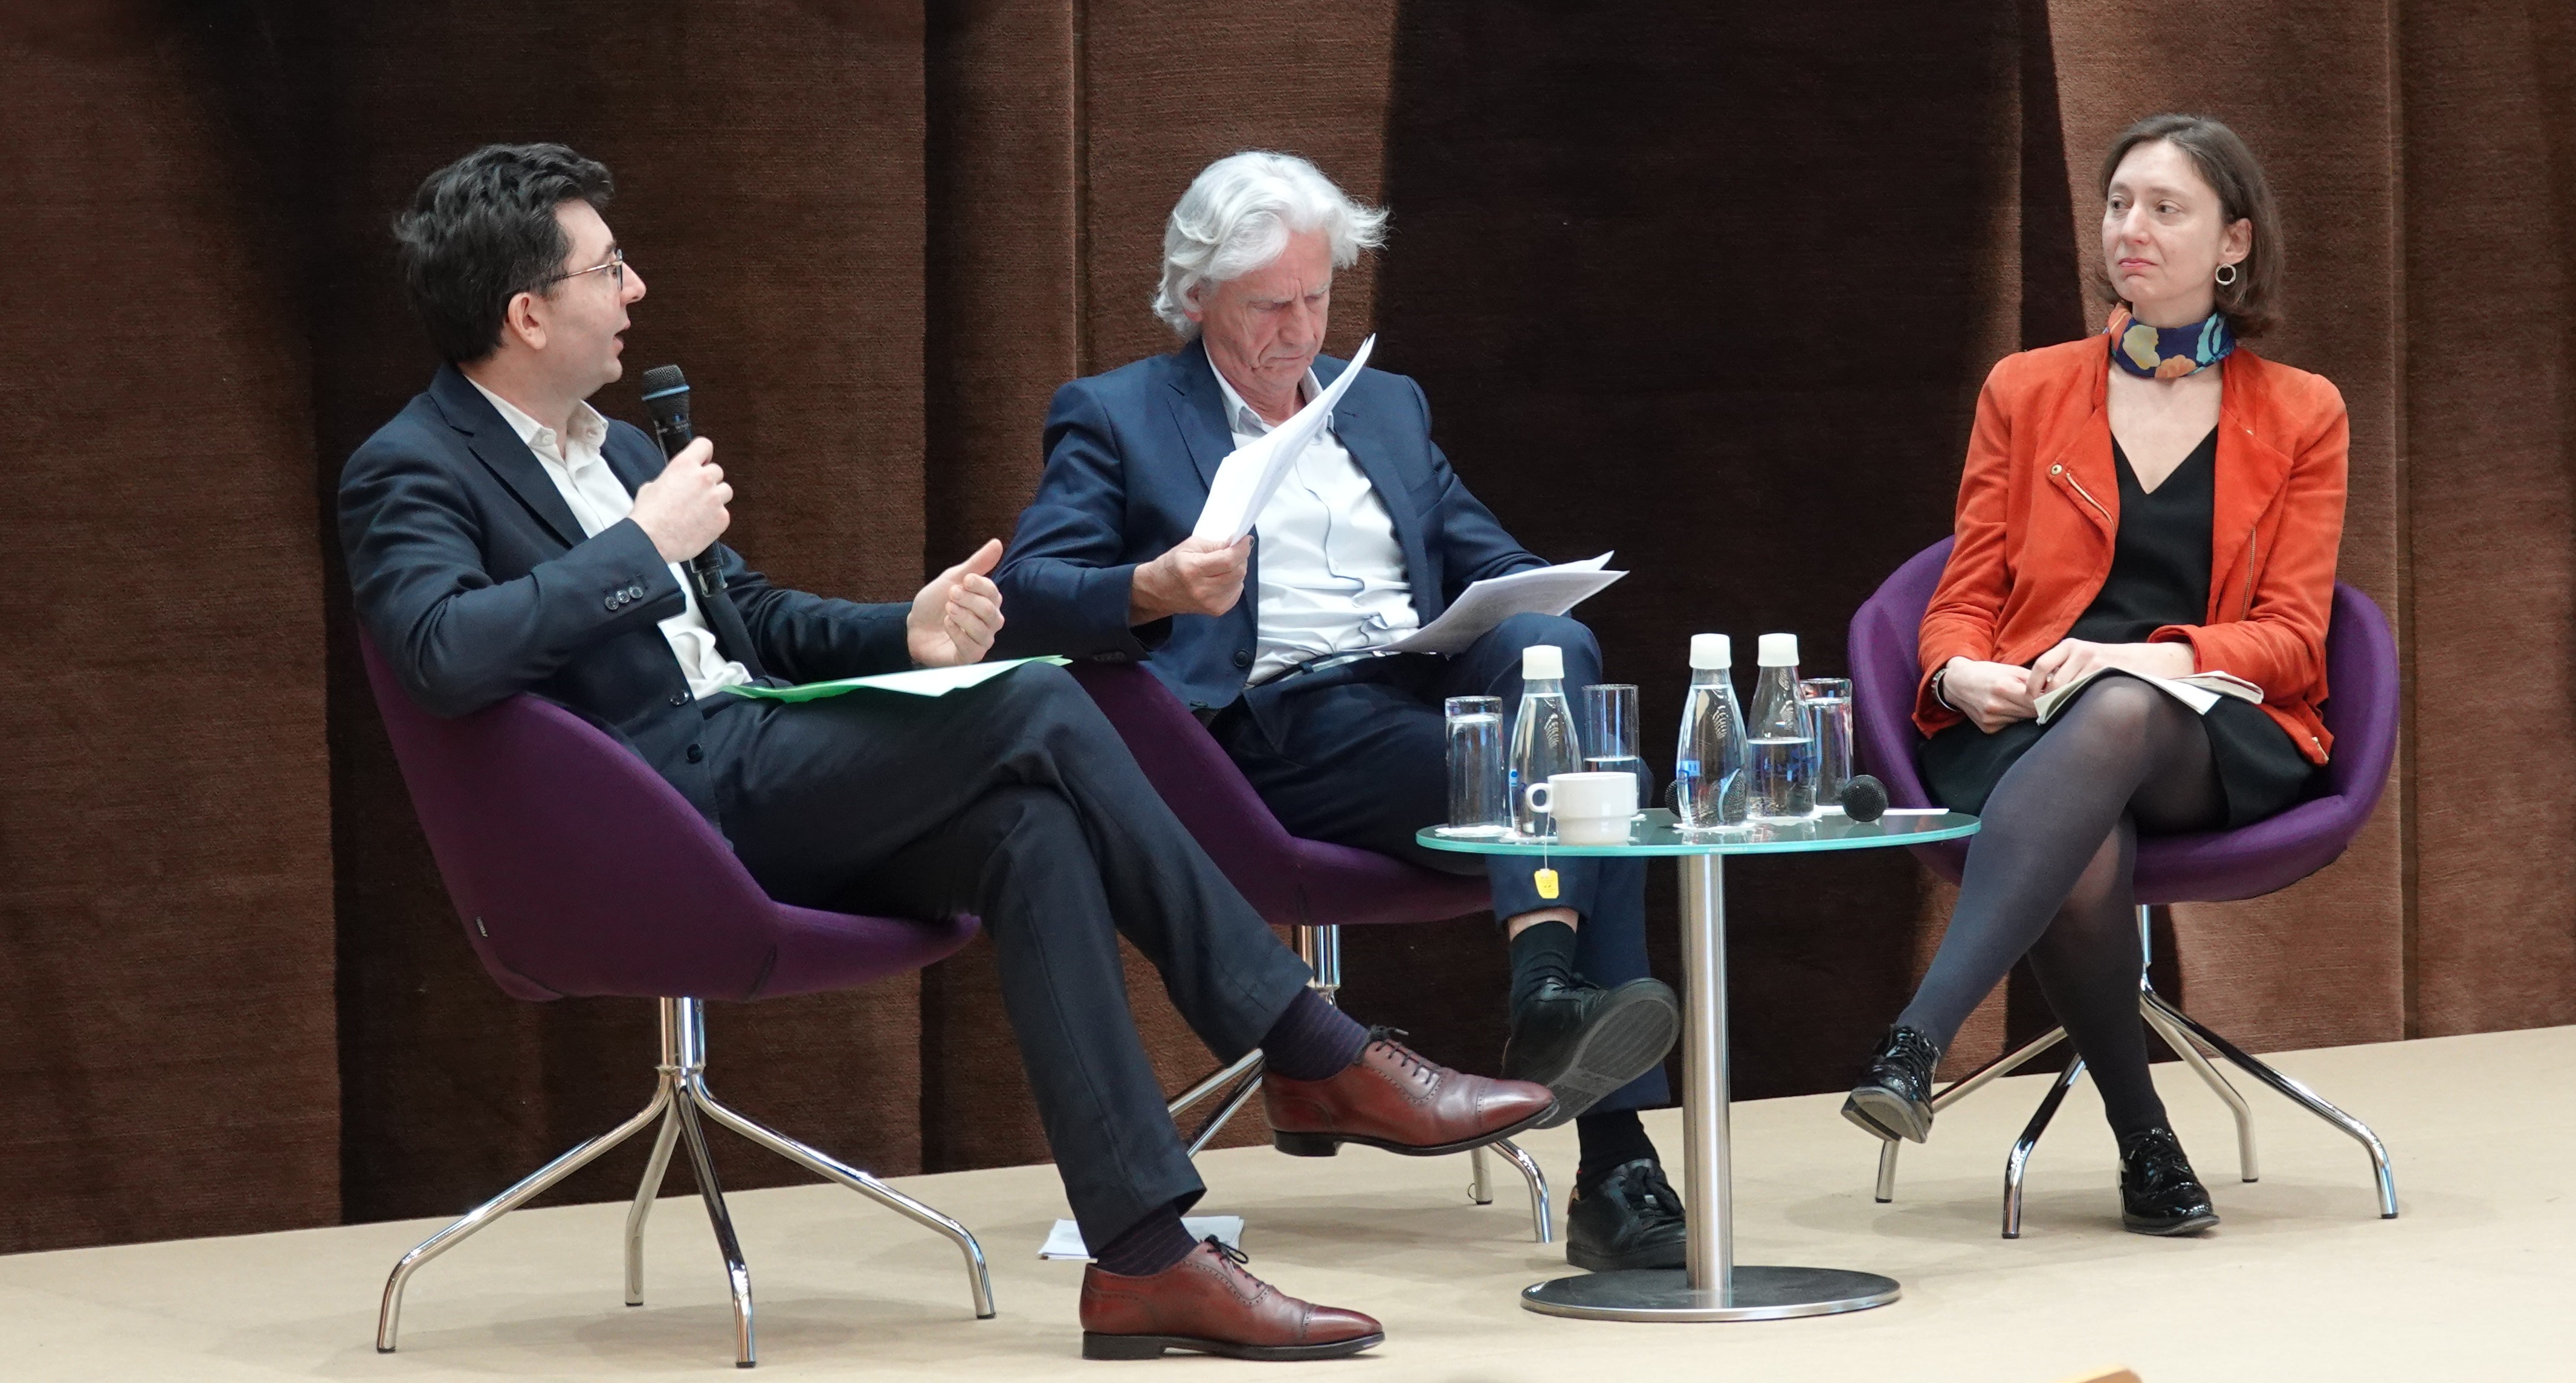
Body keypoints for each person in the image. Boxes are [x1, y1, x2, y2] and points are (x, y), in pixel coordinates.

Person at [339, 143, 1557, 1362]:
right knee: (1036, 704)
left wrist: (906, 629)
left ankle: (1142, 1260)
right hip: (660, 802)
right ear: (527, 309)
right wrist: (639, 551)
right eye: (609, 269)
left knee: (1024, 832)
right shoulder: (413, 466)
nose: (636, 289)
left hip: (757, 756)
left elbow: (754, 627)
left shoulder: (622, 451)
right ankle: (1305, 1042)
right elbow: (441, 651)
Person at [993, 151, 1687, 1272]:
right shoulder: (1119, 416)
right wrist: (1157, 587)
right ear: (1195, 296)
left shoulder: (1388, 408)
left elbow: (1487, 553)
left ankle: (1545, 992)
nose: (1301, 329)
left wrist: (1520, 595)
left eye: (1319, 298)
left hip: (1417, 693)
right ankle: (1614, 1156)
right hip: (1275, 732)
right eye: (1272, 305)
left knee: (1558, 654)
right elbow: (1026, 595)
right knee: (1604, 792)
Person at [1841, 114, 2346, 1237]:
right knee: (2087, 841)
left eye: (2166, 209)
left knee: (2120, 707)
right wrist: (1960, 670)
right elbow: (1965, 591)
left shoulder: (2303, 410)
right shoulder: (2026, 389)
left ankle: (1918, 1034)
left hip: (2215, 725)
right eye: (2120, 202)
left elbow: (2295, 637)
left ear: (2235, 242)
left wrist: (2145, 655)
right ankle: (2147, 1144)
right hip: (2028, 726)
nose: (2132, 228)